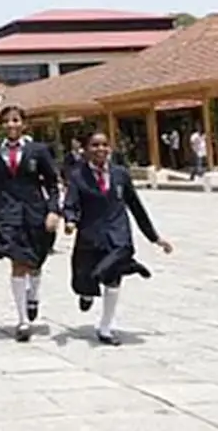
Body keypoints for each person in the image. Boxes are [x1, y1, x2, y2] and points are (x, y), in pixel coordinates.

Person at [63, 131, 174, 345]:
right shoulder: (77, 175)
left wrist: (155, 238)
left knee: (112, 277)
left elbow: (135, 206)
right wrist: (70, 220)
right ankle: (87, 293)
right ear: (86, 149)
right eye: (95, 145)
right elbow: (71, 203)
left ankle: (105, 327)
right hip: (90, 236)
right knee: (84, 279)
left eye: (104, 144)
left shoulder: (120, 174)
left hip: (118, 234)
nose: (101, 149)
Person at [0, 104, 62, 342]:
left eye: (16, 120)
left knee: (35, 263)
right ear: (1, 126)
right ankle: (22, 320)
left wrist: (54, 210)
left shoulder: (38, 150)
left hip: (35, 212)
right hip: (8, 214)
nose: (11, 125)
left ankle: (33, 295)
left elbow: (52, 183)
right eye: (7, 121)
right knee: (17, 262)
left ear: (24, 124)